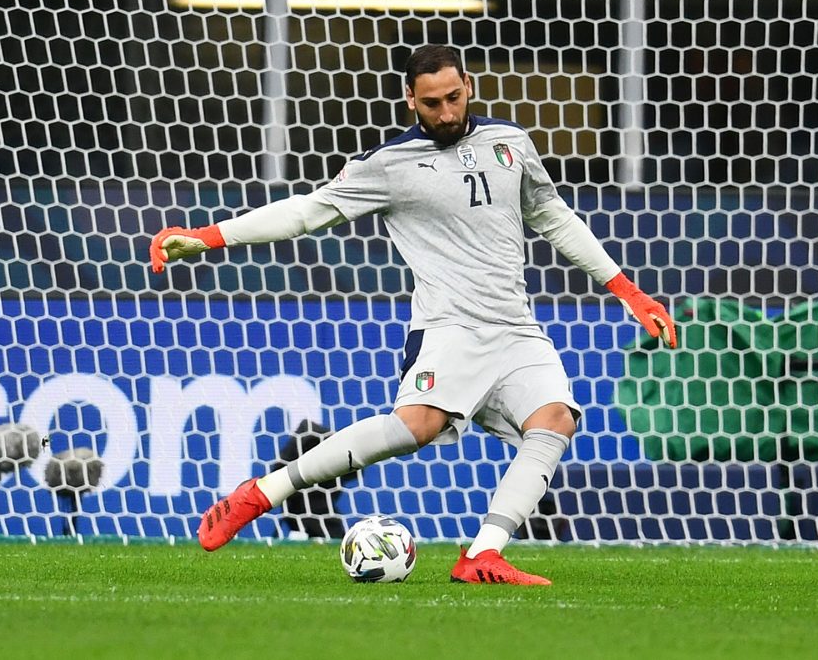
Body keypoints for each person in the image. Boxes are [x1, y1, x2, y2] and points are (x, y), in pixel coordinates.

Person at [149, 44, 678, 585]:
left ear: (468, 85)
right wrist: (210, 237)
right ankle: (260, 493)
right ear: (409, 100)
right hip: (448, 327)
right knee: (417, 427)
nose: (446, 113)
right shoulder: (389, 165)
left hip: (516, 328)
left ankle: (482, 555)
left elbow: (553, 216)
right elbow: (306, 212)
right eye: (431, 104)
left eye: (453, 97)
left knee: (555, 419)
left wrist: (628, 292)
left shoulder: (511, 142)